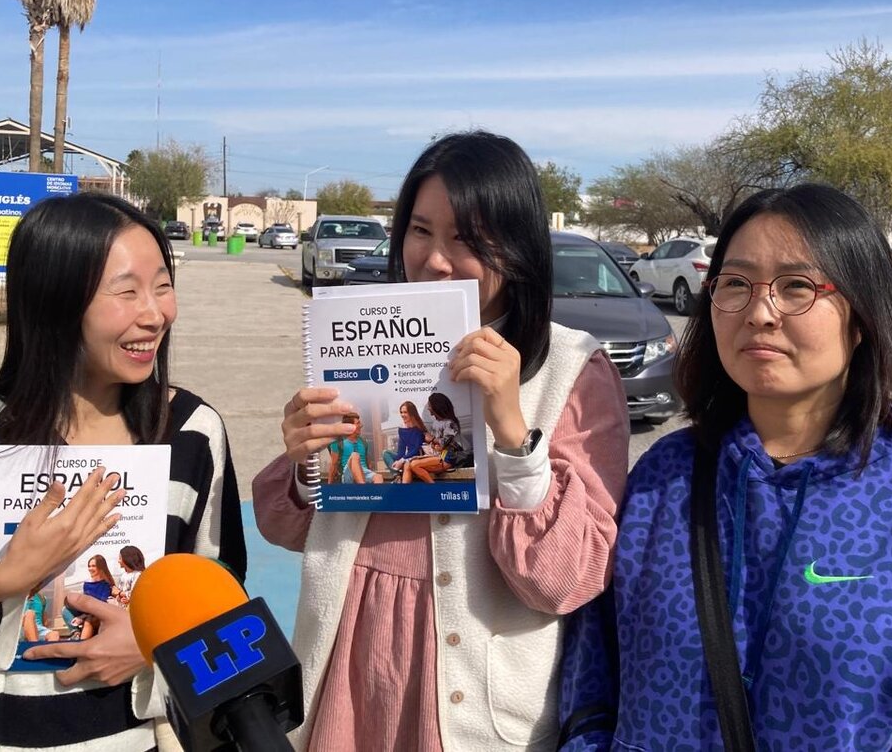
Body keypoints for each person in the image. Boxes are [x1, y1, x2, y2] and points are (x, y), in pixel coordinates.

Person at [558, 184, 892, 750]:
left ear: (862, 315)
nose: (760, 313)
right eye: (736, 284)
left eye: (797, 287)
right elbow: (593, 675)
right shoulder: (665, 476)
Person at [253, 130, 630, 751]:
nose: (435, 260)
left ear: (518, 247)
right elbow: (283, 527)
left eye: (468, 240)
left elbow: (564, 581)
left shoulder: (572, 369)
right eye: (420, 231)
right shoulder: (363, 337)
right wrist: (304, 460)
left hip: (474, 700)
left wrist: (513, 432)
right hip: (350, 662)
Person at [0, 193, 247, 751]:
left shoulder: (191, 432)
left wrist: (154, 645)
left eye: (162, 286)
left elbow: (224, 596)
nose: (155, 313)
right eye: (127, 291)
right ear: (54, 300)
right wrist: (3, 579)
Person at [402, 391, 465, 483]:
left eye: (430, 406)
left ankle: (434, 487)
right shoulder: (435, 423)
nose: (428, 408)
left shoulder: (450, 423)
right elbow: (434, 443)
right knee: (408, 464)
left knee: (414, 464)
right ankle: (404, 490)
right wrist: (430, 443)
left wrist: (432, 439)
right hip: (436, 456)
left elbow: (444, 442)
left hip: (446, 458)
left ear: (436, 407)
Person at [326, 412, 381, 484]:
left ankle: (369, 489)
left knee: (378, 477)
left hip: (364, 473)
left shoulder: (363, 442)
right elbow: (334, 465)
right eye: (358, 423)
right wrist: (329, 486)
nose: (361, 425)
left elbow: (368, 464)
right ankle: (363, 488)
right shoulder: (337, 442)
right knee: (355, 456)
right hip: (348, 475)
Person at [381, 401, 428, 477]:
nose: (402, 415)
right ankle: (396, 474)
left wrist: (402, 460)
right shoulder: (402, 429)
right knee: (385, 453)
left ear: (412, 413)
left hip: (415, 457)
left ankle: (396, 474)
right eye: (401, 412)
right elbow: (401, 449)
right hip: (405, 457)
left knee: (405, 462)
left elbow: (416, 449)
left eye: (405, 412)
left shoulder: (418, 428)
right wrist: (398, 461)